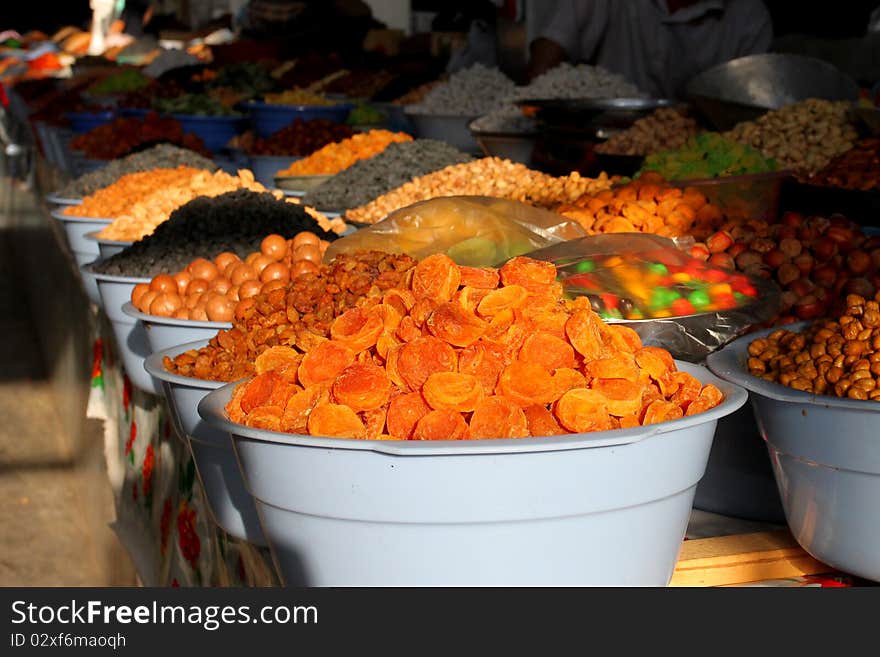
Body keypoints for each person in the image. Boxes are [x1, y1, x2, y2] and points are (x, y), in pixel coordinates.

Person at [528, 0, 773, 97]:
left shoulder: (748, 15)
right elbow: (550, 43)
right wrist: (539, 96)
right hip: (600, 139)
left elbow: (751, 103)